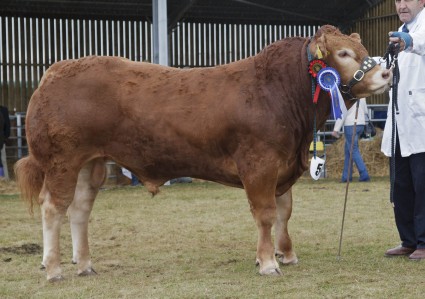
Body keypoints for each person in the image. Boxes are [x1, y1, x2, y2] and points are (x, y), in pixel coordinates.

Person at [381, 0, 425, 260]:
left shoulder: (414, 33)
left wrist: (408, 42)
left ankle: (424, 241)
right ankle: (408, 240)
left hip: (421, 124)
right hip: (399, 123)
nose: (401, 4)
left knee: (423, 187)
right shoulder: (400, 32)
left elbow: (420, 41)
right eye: (398, 0)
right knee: (401, 186)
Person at [332, 98, 371, 183]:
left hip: (350, 125)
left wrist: (336, 129)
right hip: (360, 124)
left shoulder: (347, 97)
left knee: (353, 150)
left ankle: (364, 174)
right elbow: (365, 111)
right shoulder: (362, 96)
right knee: (348, 151)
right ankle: (346, 177)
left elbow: (342, 114)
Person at [0, 105, 11, 179]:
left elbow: (7, 124)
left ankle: (5, 178)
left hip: (1, 139)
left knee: (3, 159)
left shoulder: (3, 110)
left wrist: (5, 137)